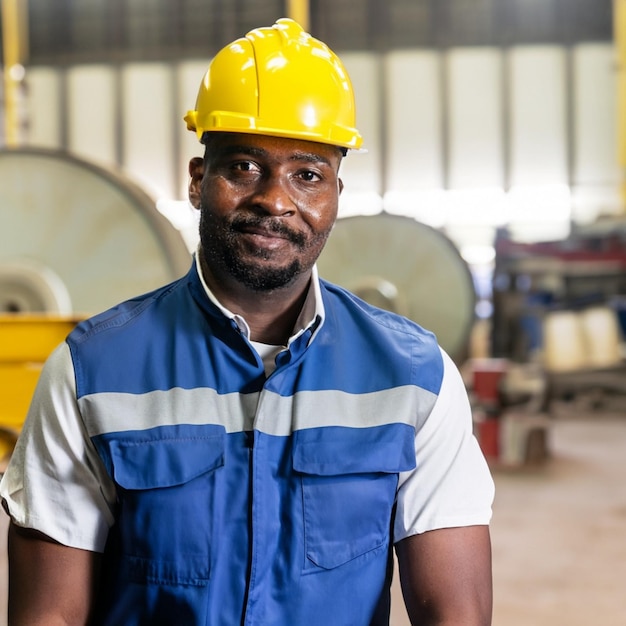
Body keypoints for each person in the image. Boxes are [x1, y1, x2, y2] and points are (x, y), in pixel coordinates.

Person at [0, 18, 494, 626]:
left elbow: (455, 614)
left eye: (307, 175)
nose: (275, 200)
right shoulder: (90, 373)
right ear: (198, 180)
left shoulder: (415, 378)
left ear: (337, 192)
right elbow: (47, 615)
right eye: (244, 167)